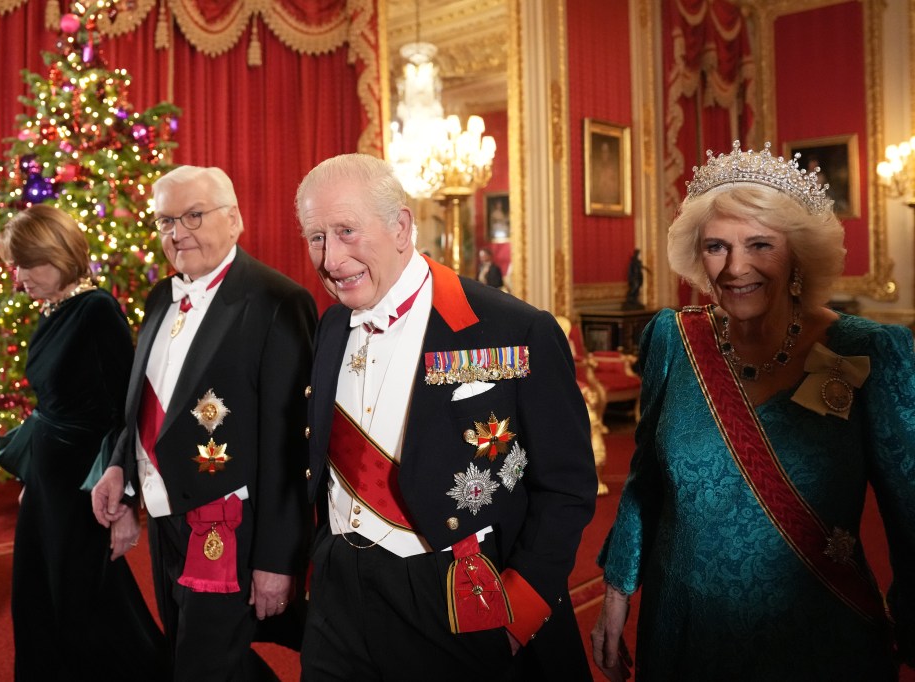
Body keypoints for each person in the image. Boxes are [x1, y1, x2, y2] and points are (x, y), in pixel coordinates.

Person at [591, 141, 915, 681]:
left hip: (818, 633)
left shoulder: (869, 350)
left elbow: (909, 511)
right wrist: (616, 591)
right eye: (716, 246)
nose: (735, 267)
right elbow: (644, 479)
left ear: (796, 253)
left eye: (760, 244)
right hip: (684, 627)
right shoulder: (676, 338)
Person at [296, 153, 598, 680]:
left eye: (347, 231)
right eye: (316, 237)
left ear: (401, 227)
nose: (330, 257)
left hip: (453, 593)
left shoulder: (512, 330)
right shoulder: (330, 327)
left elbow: (567, 487)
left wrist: (519, 611)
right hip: (338, 594)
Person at [90, 166, 317, 680]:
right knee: (191, 655)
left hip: (230, 527)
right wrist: (122, 478)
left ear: (234, 219)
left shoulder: (278, 302)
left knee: (202, 666)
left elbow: (290, 450)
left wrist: (279, 561)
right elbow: (145, 412)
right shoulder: (157, 298)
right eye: (166, 220)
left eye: (194, 215)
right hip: (166, 518)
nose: (177, 232)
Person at [0, 204, 170, 680]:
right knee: (39, 598)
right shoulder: (55, 308)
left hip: (85, 492)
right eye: (14, 264)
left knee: (87, 612)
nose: (17, 278)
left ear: (58, 254)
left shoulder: (96, 310)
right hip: (48, 486)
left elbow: (125, 412)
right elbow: (51, 406)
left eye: (26, 264)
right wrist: (33, 474)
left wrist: (125, 506)